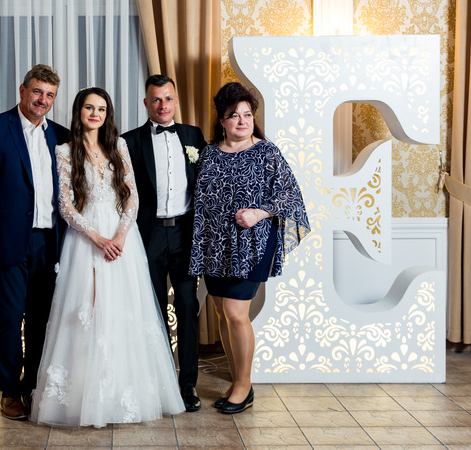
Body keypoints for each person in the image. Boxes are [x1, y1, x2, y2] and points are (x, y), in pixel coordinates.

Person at [31, 87, 184, 428]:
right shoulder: (64, 151)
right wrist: (98, 238)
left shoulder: (119, 146)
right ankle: (85, 397)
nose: (95, 114)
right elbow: (66, 205)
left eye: (101, 109)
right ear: (79, 111)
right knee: (87, 311)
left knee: (122, 309)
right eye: (89, 107)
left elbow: (132, 196)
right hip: (85, 240)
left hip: (121, 239)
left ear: (107, 114)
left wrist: (120, 236)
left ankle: (120, 395)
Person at [189, 82, 310, 414]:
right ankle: (237, 380)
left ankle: (244, 385)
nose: (242, 121)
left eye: (247, 114)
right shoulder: (209, 153)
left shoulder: (267, 151)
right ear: (222, 121)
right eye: (234, 115)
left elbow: (290, 194)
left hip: (252, 244)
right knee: (222, 313)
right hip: (215, 246)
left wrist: (259, 213)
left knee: (235, 313)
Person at [0, 64, 70, 421]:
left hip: (50, 243)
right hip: (7, 244)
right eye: (37, 91)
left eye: (50, 95)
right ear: (23, 91)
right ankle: (10, 392)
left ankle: (33, 388)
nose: (43, 100)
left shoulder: (62, 136)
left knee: (41, 321)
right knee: (10, 320)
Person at [121, 74, 207, 412]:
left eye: (168, 98)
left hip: (185, 233)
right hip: (148, 234)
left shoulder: (193, 135)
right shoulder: (129, 141)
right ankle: (157, 383)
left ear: (176, 100)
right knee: (152, 310)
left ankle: (188, 385)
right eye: (156, 99)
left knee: (187, 306)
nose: (163, 105)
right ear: (146, 103)